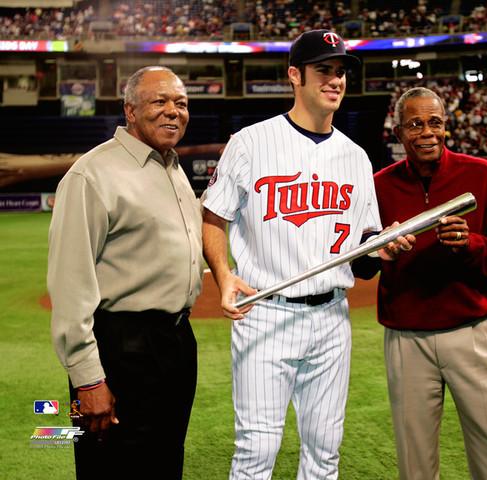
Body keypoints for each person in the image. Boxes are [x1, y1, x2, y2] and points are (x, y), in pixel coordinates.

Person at [202, 29, 414, 480]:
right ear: (295, 75)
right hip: (265, 314)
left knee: (324, 452)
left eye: (340, 72)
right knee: (256, 451)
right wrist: (222, 275)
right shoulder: (251, 143)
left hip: (331, 319)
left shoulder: (356, 157)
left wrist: (384, 248)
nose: (335, 80)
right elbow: (213, 216)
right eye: (324, 70)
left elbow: (361, 255)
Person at [353, 87, 487, 480]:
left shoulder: (482, 174)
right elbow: (359, 265)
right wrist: (380, 250)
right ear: (398, 133)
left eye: (435, 122)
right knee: (415, 463)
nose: (427, 132)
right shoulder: (378, 186)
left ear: (446, 126)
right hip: (406, 338)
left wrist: (472, 244)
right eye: (415, 124)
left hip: (472, 333)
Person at [47, 66, 203, 480]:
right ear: (130, 111)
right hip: (119, 347)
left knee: (164, 462)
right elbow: (69, 284)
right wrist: (87, 379)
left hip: (173, 342)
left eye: (181, 103)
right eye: (160, 101)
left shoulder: (170, 168)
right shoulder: (92, 174)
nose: (173, 111)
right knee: (110, 468)